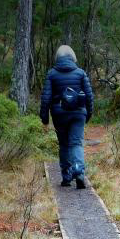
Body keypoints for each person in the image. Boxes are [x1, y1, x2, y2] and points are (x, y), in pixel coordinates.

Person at [40, 45, 94, 188]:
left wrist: (44, 119)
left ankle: (67, 176)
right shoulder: (81, 73)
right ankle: (79, 172)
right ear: (73, 57)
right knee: (76, 143)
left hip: (59, 114)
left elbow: (46, 98)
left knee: (64, 144)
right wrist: (88, 114)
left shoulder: (51, 74)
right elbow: (89, 96)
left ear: (58, 58)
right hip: (78, 113)